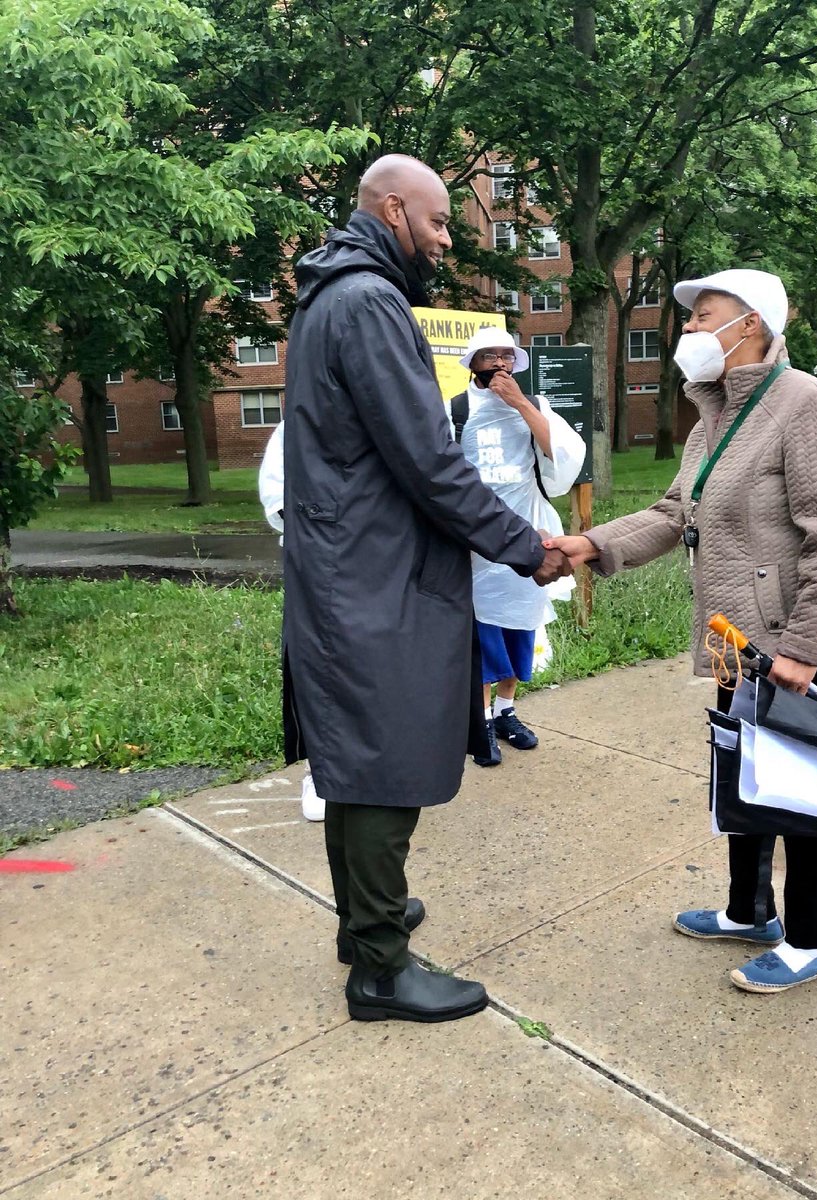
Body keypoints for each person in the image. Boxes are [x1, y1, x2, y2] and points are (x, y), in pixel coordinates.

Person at [283, 153, 572, 1023]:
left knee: (358, 753)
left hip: (350, 566)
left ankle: (364, 918)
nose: (445, 242)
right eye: (440, 222)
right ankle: (378, 966)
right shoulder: (369, 302)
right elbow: (430, 464)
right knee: (382, 758)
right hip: (374, 576)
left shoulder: (333, 295)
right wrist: (529, 547)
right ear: (393, 208)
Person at [545, 268, 817, 993]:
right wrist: (590, 545)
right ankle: (748, 909)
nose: (687, 330)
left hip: (791, 641)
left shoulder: (808, 405)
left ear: (748, 323)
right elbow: (671, 513)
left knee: (798, 791)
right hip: (735, 641)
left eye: (702, 317)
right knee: (743, 778)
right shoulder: (715, 413)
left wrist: (803, 649)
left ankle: (812, 938)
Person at [451, 327, 586, 767]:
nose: (499, 364)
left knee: (519, 628)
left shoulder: (535, 406)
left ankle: (507, 710)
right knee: (482, 633)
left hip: (529, 536)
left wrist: (521, 404)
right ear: (473, 364)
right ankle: (482, 719)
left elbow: (562, 458)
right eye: (489, 356)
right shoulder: (455, 410)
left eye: (506, 356)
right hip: (477, 540)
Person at [258, 422, 326, 822]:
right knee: (315, 661)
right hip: (317, 558)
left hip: (385, 560)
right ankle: (320, 771)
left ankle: (374, 765)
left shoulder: (392, 411)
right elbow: (277, 495)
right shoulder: (295, 428)